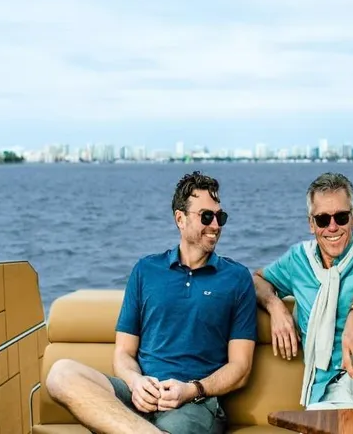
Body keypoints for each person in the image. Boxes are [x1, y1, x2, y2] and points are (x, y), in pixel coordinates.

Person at [46, 171, 258, 434]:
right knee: (61, 374)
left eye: (220, 216)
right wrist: (136, 382)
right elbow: (123, 353)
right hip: (139, 394)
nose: (216, 225)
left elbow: (241, 368)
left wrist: (191, 389)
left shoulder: (236, 278)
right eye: (206, 216)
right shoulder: (146, 270)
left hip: (194, 403)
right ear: (180, 219)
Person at [253, 172, 353, 410]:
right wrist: (275, 306)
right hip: (328, 392)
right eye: (322, 220)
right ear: (311, 224)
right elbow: (256, 280)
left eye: (341, 217)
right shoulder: (298, 260)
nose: (332, 227)